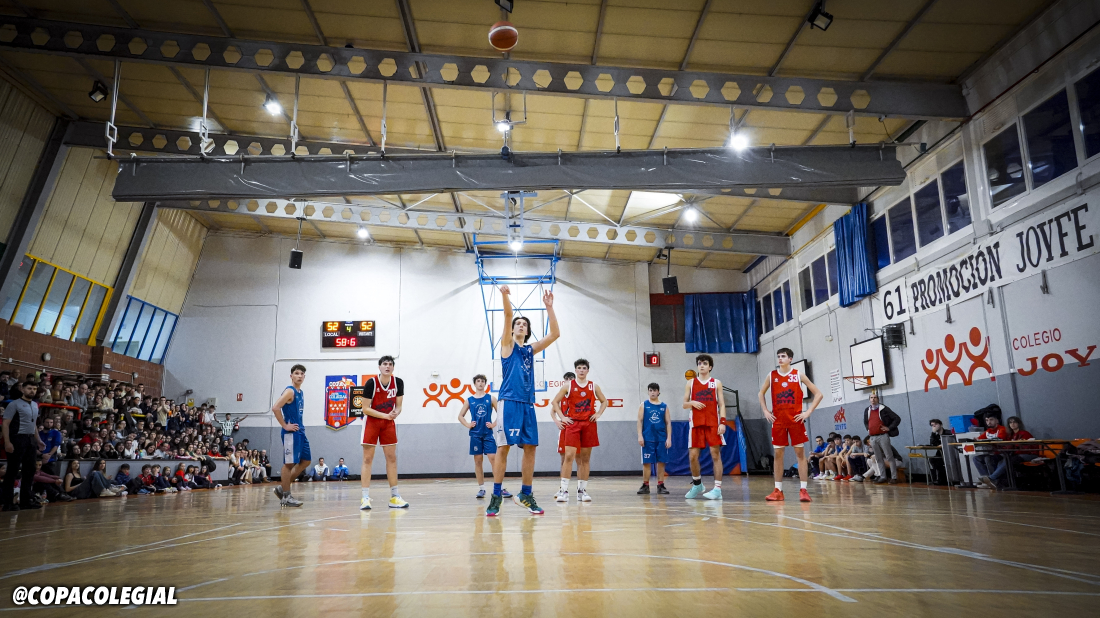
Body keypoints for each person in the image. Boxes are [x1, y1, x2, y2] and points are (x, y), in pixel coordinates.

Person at [487, 285, 559, 517]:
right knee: (504, 448)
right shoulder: (507, 346)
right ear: (512, 329)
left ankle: (526, 494)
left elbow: (555, 334)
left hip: (527, 403)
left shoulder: (530, 350)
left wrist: (549, 308)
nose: (520, 325)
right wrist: (504, 296)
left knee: (530, 448)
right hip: (509, 401)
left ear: (527, 331)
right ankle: (496, 495)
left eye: (524, 324)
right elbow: (508, 315)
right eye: (518, 323)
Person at [758, 347, 823, 502]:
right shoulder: (772, 375)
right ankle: (778, 490)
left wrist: (808, 412)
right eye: (778, 356)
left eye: (783, 356)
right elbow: (761, 393)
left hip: (796, 420)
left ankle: (803, 490)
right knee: (778, 455)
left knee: (800, 454)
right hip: (778, 420)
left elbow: (819, 394)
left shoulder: (798, 374)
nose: (780, 358)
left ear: (790, 359)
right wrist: (765, 411)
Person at [552, 359, 607, 503]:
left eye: (584, 368)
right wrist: (562, 417)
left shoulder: (593, 386)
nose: (581, 370)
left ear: (587, 370)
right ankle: (564, 491)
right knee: (569, 456)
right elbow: (554, 402)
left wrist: (598, 413)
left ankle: (582, 491)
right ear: (575, 370)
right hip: (573, 424)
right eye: (579, 368)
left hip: (589, 424)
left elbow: (604, 401)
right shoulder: (568, 385)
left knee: (585, 459)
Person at [360, 356, 408, 510]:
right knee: (368, 459)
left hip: (388, 423)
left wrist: (396, 413)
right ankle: (365, 498)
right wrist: (385, 416)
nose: (387, 366)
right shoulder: (371, 383)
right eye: (385, 364)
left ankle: (394, 496)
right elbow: (365, 409)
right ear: (379, 367)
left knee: (392, 458)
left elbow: (399, 406)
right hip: (372, 422)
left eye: (390, 364)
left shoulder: (398, 382)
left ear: (393, 367)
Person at [458, 374, 509, 499]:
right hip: (475, 434)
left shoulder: (490, 398)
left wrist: (493, 424)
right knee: (478, 461)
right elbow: (460, 416)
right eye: (478, 381)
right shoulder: (470, 400)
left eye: (482, 381)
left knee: (494, 459)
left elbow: (501, 413)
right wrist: (468, 424)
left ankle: (500, 487)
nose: (480, 383)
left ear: (485, 384)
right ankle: (481, 488)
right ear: (474, 384)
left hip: (488, 434)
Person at [685, 355, 727, 500]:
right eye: (699, 363)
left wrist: (723, 422)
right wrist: (692, 403)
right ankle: (697, 484)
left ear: (710, 367)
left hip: (713, 422)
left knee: (715, 454)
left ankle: (717, 489)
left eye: (704, 363)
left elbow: (722, 404)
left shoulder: (716, 383)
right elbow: (684, 404)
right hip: (696, 423)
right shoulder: (691, 383)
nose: (701, 365)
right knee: (693, 456)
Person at [2, 382, 46, 511]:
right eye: (29, 388)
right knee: (12, 471)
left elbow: (33, 424)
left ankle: (25, 501)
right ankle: (8, 503)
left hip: (30, 440)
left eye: (34, 389)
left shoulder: (35, 405)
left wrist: (38, 440)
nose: (32, 391)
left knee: (30, 470)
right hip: (17, 438)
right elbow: (5, 424)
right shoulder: (14, 404)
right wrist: (7, 442)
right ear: (22, 389)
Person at [272, 364, 311, 507]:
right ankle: (286, 496)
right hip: (291, 433)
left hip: (300, 431)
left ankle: (282, 487)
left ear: (304, 377)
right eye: (296, 373)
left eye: (302, 374)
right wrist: (284, 425)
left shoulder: (300, 392)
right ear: (291, 376)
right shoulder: (290, 391)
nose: (299, 376)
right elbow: (276, 407)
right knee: (289, 464)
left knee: (306, 461)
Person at [637, 382, 671, 495]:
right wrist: (640, 435)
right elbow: (639, 421)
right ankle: (645, 485)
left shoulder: (664, 406)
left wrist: (669, 438)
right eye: (650, 390)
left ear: (658, 392)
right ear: (648, 392)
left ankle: (660, 485)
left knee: (661, 462)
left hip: (661, 438)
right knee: (647, 462)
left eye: (654, 390)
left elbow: (668, 423)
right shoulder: (644, 405)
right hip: (647, 438)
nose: (652, 392)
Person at [863, 391, 901, 485]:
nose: (873, 399)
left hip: (882, 436)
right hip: (872, 437)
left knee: (889, 456)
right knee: (878, 458)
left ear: (878, 399)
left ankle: (894, 477)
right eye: (871, 398)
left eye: (875, 397)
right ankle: (882, 476)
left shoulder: (884, 409)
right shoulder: (867, 410)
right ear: (869, 400)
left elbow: (897, 418)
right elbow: (865, 422)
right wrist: (868, 429)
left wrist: (889, 428)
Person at [974, 413, 1010, 489]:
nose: (989, 422)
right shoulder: (988, 431)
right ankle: (986, 480)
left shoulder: (1002, 429)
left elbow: (1000, 439)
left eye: (991, 420)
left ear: (997, 421)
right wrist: (975, 439)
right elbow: (979, 439)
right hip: (993, 453)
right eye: (987, 420)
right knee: (976, 458)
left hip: (1003, 453)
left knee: (988, 458)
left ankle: (993, 481)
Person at [927, 419, 952, 485]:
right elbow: (932, 443)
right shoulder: (936, 435)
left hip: (948, 452)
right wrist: (933, 433)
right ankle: (939, 478)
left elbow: (951, 441)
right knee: (932, 459)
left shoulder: (947, 432)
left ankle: (943, 479)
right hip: (940, 452)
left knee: (939, 461)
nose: (934, 426)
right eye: (932, 425)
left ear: (940, 425)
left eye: (936, 424)